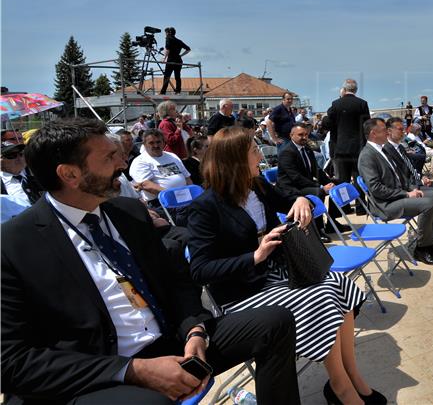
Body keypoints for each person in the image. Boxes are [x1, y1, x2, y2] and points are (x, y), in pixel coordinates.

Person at [2, 118, 300, 404]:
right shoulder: (15, 244)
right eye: (109, 158)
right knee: (152, 400)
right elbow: (11, 361)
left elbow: (177, 280)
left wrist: (195, 329)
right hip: (100, 372)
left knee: (275, 321)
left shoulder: (128, 212)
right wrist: (134, 371)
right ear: (70, 174)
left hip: (170, 341)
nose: (122, 165)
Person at [187, 127, 385, 404]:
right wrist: (255, 256)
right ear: (235, 160)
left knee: (338, 283)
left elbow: (288, 199)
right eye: (254, 151)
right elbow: (200, 270)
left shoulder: (256, 187)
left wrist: (302, 199)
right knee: (320, 296)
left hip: (274, 275)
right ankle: (341, 387)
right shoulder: (205, 207)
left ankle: (351, 376)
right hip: (244, 293)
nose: (261, 156)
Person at [357, 118, 433, 265]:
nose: (387, 132)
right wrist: (406, 194)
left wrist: (412, 188)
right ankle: (422, 248)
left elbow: (399, 176)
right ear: (373, 134)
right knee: (428, 204)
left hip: (399, 194)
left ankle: (429, 239)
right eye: (383, 130)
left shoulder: (382, 150)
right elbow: (376, 189)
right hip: (386, 204)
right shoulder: (367, 155)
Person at [277, 123, 347, 242]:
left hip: (304, 184)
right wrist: (321, 186)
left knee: (338, 186)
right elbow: (295, 177)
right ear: (291, 135)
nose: (304, 137)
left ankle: (331, 223)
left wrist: (330, 183)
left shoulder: (307, 149)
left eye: (306, 134)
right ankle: (318, 229)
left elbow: (317, 170)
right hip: (291, 188)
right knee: (318, 192)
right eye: (300, 135)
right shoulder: (286, 152)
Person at [326, 79, 371, 195]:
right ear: (356, 90)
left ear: (344, 89)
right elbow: (367, 125)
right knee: (358, 178)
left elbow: (328, 123)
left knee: (342, 179)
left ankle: (344, 207)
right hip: (358, 147)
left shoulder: (336, 104)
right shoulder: (362, 103)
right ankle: (360, 207)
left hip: (340, 147)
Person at [130, 129, 192, 206]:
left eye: (158, 142)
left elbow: (187, 178)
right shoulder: (140, 161)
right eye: (151, 143)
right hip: (161, 203)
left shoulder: (173, 156)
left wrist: (191, 194)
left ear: (163, 142)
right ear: (144, 144)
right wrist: (173, 195)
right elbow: (145, 184)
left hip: (184, 199)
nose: (156, 145)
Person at [1, 141, 44, 205]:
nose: (19, 158)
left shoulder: (34, 174)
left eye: (21, 153)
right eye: (12, 155)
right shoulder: (2, 184)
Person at [159, 27, 191, 95]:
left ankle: (163, 92)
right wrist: (181, 55)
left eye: (166, 33)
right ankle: (178, 91)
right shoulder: (179, 41)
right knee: (177, 76)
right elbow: (188, 49)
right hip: (178, 60)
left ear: (168, 33)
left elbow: (168, 49)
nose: (165, 34)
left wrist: (164, 58)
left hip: (171, 60)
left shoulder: (168, 38)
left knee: (167, 76)